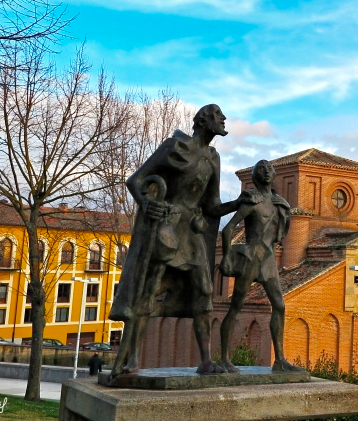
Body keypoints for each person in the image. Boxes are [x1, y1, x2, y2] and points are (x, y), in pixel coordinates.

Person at [109, 104, 256, 377]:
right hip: (166, 227)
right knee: (149, 291)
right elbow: (136, 180)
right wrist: (146, 203)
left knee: (204, 290)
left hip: (191, 232)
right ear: (203, 121)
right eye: (217, 115)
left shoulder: (213, 157)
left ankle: (205, 361)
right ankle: (132, 360)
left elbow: (211, 206)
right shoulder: (174, 147)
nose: (223, 119)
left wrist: (237, 203)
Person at [218, 160, 301, 373]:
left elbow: (282, 233)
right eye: (261, 169)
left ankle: (280, 359)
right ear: (255, 176)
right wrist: (227, 257)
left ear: (274, 175)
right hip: (251, 258)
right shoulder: (251, 201)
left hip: (269, 260)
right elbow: (228, 229)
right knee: (235, 307)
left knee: (280, 306)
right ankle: (224, 359)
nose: (266, 172)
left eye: (270, 169)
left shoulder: (280, 203)